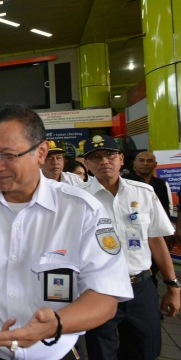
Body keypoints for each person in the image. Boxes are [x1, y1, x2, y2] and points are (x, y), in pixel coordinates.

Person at [0, 104, 133, 360]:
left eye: (8, 155)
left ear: (40, 152)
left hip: (51, 351)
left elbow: (105, 295)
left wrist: (56, 323)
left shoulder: (81, 210)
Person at [79, 135, 180, 360]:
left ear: (122, 159)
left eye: (110, 155)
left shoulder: (143, 193)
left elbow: (156, 240)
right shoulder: (79, 200)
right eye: (95, 157)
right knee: (101, 352)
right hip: (98, 289)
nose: (104, 161)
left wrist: (173, 286)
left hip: (140, 287)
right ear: (87, 164)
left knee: (146, 349)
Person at [123, 150, 175, 286]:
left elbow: (167, 208)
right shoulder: (126, 182)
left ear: (155, 164)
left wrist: (168, 234)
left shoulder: (161, 184)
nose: (145, 164)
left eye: (149, 161)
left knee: (156, 266)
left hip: (156, 232)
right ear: (134, 164)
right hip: (134, 233)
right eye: (141, 160)